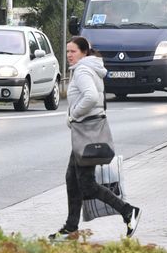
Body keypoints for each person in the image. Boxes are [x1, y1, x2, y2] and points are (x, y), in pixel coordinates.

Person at [51, 36, 140, 240]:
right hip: (87, 131)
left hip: (86, 132)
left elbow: (90, 97)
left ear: (84, 52)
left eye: (73, 51)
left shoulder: (82, 70)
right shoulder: (90, 68)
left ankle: (128, 211)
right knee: (71, 179)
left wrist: (73, 115)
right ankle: (70, 226)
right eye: (67, 52)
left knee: (87, 184)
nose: (69, 56)